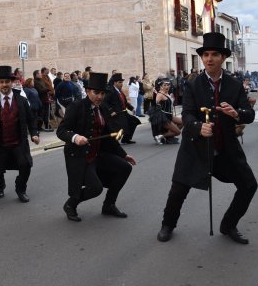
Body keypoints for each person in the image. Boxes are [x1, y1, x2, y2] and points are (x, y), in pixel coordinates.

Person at [157, 32, 257, 245]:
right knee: (178, 190)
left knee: (249, 186)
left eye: (214, 54)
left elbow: (249, 115)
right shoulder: (193, 84)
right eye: (206, 55)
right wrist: (197, 127)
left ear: (223, 58)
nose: (209, 58)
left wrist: (236, 113)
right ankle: (168, 224)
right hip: (195, 148)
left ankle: (228, 224)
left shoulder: (235, 85)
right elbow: (187, 114)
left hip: (225, 149)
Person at [57, 72, 136, 221]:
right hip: (81, 156)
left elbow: (109, 137)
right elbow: (61, 131)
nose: (99, 97)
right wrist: (75, 137)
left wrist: (123, 155)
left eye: (102, 93)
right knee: (95, 188)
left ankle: (109, 205)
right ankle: (71, 204)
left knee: (125, 168)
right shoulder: (76, 106)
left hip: (98, 154)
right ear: (87, 91)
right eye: (96, 93)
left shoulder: (103, 108)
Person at [0, 65, 39, 202]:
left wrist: (34, 133)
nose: (4, 84)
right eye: (1, 82)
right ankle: (0, 186)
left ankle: (20, 189)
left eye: (7, 82)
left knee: (26, 165)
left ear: (12, 82)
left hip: (18, 143)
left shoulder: (21, 100)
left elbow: (31, 119)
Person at [104, 73, 138, 144]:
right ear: (115, 83)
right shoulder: (111, 91)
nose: (121, 84)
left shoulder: (120, 91)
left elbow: (124, 102)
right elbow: (104, 102)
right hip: (116, 114)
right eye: (119, 82)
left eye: (122, 82)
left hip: (123, 112)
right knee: (123, 126)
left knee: (134, 121)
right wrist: (111, 111)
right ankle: (112, 142)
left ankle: (126, 139)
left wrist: (131, 108)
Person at [149, 78, 183, 144]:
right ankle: (160, 136)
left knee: (182, 122)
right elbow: (153, 105)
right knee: (178, 132)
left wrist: (172, 99)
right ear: (161, 86)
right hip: (164, 117)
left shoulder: (168, 94)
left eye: (168, 85)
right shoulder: (160, 95)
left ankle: (169, 135)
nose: (167, 86)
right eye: (165, 85)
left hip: (170, 115)